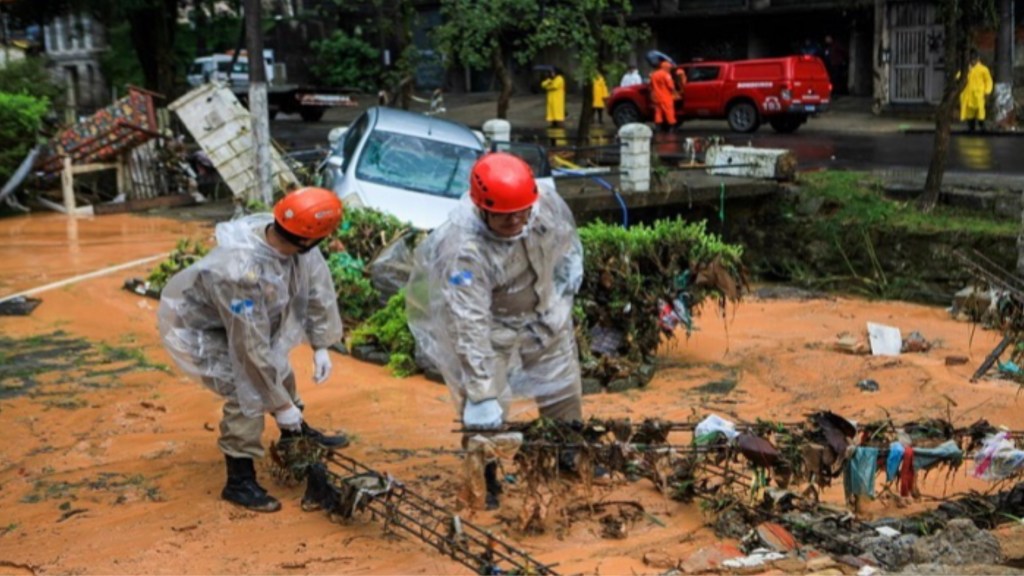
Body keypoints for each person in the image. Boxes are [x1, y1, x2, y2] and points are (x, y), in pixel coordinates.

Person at [406, 152, 584, 509]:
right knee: (485, 413)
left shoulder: (540, 205)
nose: (518, 221)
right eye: (506, 217)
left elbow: (566, 245)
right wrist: (482, 392)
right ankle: (484, 475)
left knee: (563, 390)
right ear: (483, 208)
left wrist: (564, 287)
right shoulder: (463, 249)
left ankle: (567, 454)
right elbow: (468, 321)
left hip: (544, 313)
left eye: (523, 212)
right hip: (492, 328)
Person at [158, 187, 349, 513]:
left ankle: (296, 435)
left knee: (278, 372)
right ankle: (239, 479)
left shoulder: (297, 241)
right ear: (307, 238)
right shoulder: (239, 271)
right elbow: (248, 348)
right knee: (246, 391)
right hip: (208, 329)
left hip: (252, 323)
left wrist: (321, 344)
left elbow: (317, 289)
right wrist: (279, 406)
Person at [960, 50, 993, 132]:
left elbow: (988, 81)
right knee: (970, 112)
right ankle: (971, 127)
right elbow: (959, 77)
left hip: (979, 94)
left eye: (974, 59)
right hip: (969, 94)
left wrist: (987, 91)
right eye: (972, 59)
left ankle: (982, 125)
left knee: (980, 110)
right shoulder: (967, 69)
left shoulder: (983, 69)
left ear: (978, 59)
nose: (973, 61)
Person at [649, 58, 679, 133]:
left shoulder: (654, 74)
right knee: (669, 112)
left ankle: (658, 128)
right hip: (666, 97)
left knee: (658, 113)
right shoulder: (666, 75)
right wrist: (676, 93)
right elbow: (671, 86)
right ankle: (671, 127)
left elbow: (651, 86)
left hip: (657, 97)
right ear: (667, 67)